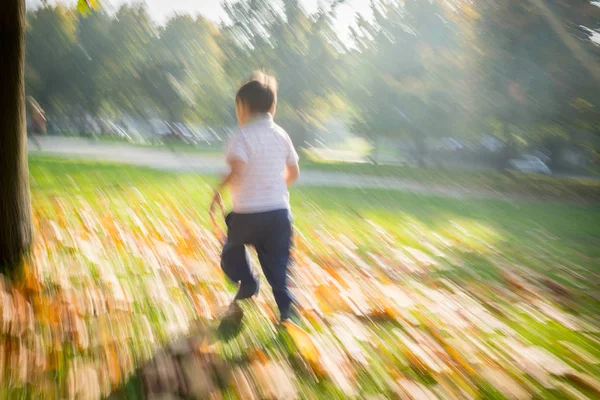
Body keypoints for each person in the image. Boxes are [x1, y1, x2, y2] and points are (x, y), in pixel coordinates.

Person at [210, 72, 300, 323]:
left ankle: (248, 280)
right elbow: (293, 172)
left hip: (246, 215)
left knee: (232, 251)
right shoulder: (282, 135)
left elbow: (237, 169)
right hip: (279, 215)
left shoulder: (240, 136)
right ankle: (287, 309)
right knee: (279, 265)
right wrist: (273, 185)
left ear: (243, 108)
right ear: (272, 107)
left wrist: (219, 189)